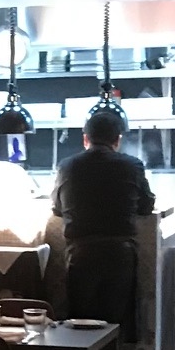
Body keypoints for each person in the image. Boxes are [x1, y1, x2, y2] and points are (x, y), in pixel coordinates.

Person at [51, 110, 155, 329]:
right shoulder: (132, 165)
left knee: (80, 324)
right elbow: (146, 207)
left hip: (81, 253)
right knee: (116, 323)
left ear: (85, 139)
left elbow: (58, 209)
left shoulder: (67, 166)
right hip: (119, 253)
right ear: (117, 140)